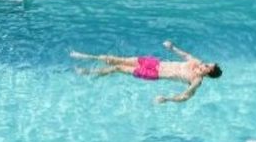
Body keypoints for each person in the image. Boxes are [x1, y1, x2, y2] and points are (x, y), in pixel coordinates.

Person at [71, 40, 222, 104]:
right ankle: (87, 56)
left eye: (209, 65)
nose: (206, 63)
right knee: (118, 59)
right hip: (154, 63)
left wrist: (167, 99)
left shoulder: (196, 80)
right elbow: (185, 55)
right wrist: (172, 47)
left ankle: (90, 73)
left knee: (118, 68)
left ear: (209, 72)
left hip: (154, 74)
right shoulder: (196, 61)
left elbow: (186, 96)